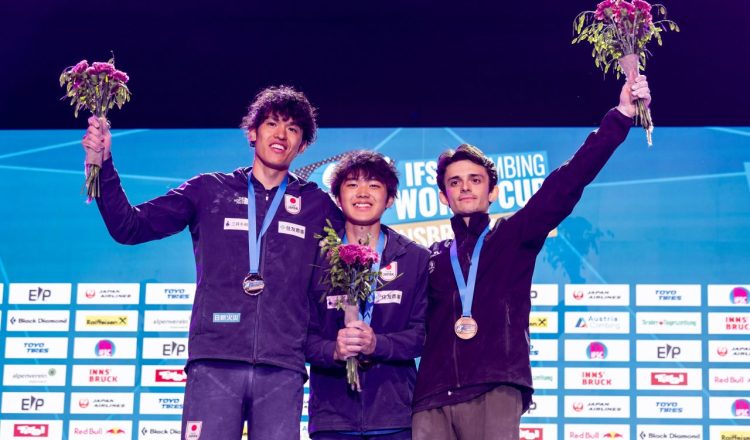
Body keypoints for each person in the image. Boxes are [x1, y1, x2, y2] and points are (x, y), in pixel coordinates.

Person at [81, 85, 343, 440]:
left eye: (293, 129)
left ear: (302, 145)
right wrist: (103, 164)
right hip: (215, 362)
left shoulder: (317, 206)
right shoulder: (209, 190)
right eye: (272, 124)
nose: (281, 135)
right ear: (253, 132)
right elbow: (129, 227)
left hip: (282, 367)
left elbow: (354, 262)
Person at [411, 77, 652, 440]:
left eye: (475, 180)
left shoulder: (512, 237)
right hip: (431, 396)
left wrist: (620, 116)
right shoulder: (429, 257)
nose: (465, 187)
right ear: (443, 196)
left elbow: (567, 182)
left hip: (494, 387)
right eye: (455, 182)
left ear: (492, 191)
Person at [306, 151, 429, 440]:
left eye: (373, 185)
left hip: (394, 416)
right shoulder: (313, 258)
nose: (362, 193)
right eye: (351, 185)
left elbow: (424, 334)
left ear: (389, 199)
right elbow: (298, 334)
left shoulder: (414, 258)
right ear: (337, 198)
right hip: (331, 419)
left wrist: (379, 344)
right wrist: (332, 351)